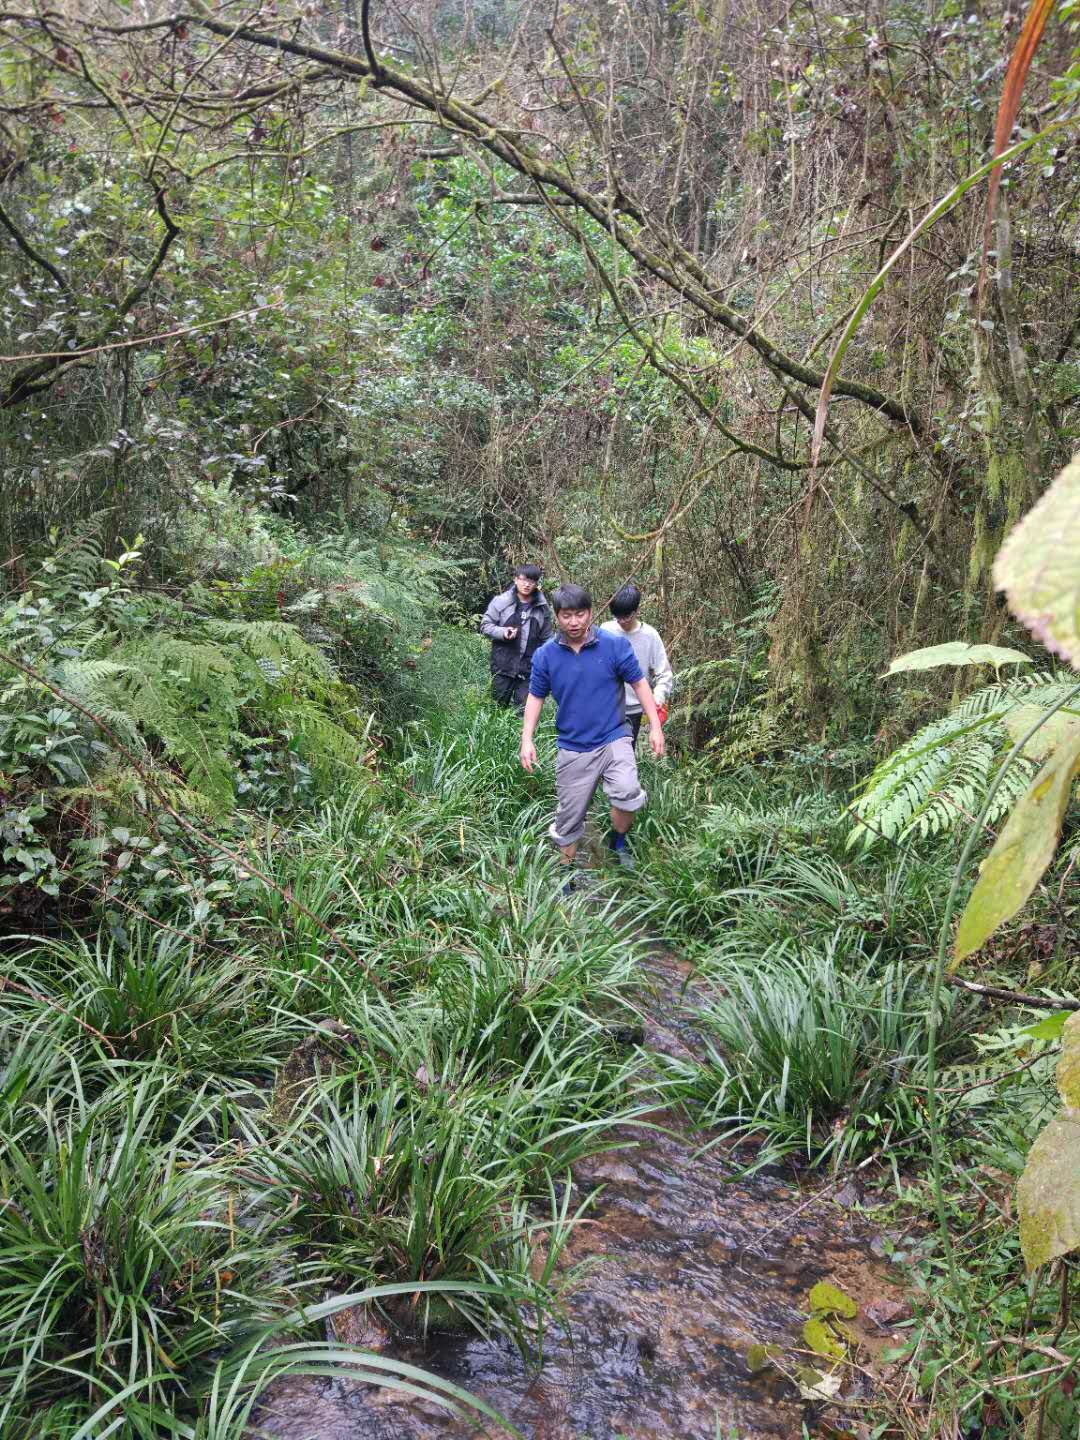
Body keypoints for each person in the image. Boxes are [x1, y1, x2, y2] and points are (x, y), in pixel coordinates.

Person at [520, 583, 665, 885]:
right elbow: (535, 697)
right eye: (567, 615)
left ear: (590, 613)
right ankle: (565, 870)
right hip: (573, 746)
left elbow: (640, 684)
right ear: (557, 617)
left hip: (614, 736)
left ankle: (618, 841)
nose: (574, 622)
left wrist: (655, 726)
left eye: (580, 614)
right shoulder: (546, 656)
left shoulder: (614, 645)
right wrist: (526, 739)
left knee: (627, 792)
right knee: (569, 816)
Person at [600, 583, 674, 748]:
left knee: (624, 756)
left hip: (634, 709)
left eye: (626, 617)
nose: (621, 622)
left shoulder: (650, 636)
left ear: (636, 611)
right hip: (606, 706)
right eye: (617, 617)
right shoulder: (605, 631)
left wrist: (657, 698)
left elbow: (664, 675)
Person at [479, 563, 553, 712]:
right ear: (515, 579)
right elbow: (485, 625)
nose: (527, 584)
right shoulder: (501, 602)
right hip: (503, 666)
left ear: (536, 584)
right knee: (496, 710)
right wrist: (502, 632)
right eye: (523, 579)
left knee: (523, 713)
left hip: (529, 669)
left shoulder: (542, 607)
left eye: (531, 581)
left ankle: (522, 736)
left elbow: (547, 638)